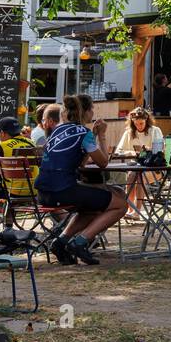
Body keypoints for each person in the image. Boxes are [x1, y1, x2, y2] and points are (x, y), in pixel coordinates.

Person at [34, 95, 128, 265]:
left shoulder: (56, 131)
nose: (93, 112)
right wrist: (101, 136)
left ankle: (61, 242)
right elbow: (103, 163)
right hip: (63, 191)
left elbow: (80, 163)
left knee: (91, 208)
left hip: (43, 192)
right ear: (85, 112)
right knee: (120, 203)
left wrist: (89, 142)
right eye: (92, 109)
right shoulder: (83, 133)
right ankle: (81, 242)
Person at [117, 107, 164, 217]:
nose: (139, 126)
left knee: (139, 177)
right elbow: (119, 151)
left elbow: (159, 150)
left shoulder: (155, 130)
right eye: (136, 124)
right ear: (132, 122)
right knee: (131, 175)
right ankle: (129, 209)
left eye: (141, 123)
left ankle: (137, 210)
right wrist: (133, 153)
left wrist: (146, 150)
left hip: (153, 168)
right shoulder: (129, 132)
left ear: (147, 120)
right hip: (137, 167)